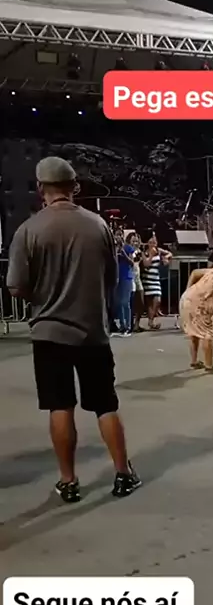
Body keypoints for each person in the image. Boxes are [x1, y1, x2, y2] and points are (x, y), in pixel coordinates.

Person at [6, 156, 141, 502]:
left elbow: (16, 286)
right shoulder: (98, 226)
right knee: (105, 404)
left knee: (60, 406)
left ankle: (68, 480)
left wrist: (44, 295)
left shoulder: (29, 230)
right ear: (74, 188)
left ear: (41, 188)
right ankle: (123, 473)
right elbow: (111, 278)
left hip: (49, 333)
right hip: (92, 331)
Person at [179, 267, 213, 373]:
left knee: (193, 332)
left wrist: (188, 290)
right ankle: (209, 366)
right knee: (207, 333)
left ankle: (194, 361)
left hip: (186, 299)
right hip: (199, 304)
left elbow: (195, 273)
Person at [113, 229, 135, 336]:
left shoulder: (128, 248)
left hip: (127, 277)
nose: (118, 237)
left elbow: (132, 262)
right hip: (117, 277)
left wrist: (123, 253)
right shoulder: (114, 248)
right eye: (117, 235)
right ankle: (122, 326)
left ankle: (128, 326)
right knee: (118, 302)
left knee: (125, 302)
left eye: (120, 235)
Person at [141, 234, 162, 330]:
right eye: (150, 242)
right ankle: (151, 322)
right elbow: (146, 264)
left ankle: (151, 320)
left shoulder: (159, 251)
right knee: (150, 302)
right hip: (147, 279)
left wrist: (166, 258)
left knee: (157, 300)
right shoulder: (144, 253)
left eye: (154, 242)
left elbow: (169, 254)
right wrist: (151, 255)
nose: (152, 244)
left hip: (155, 279)